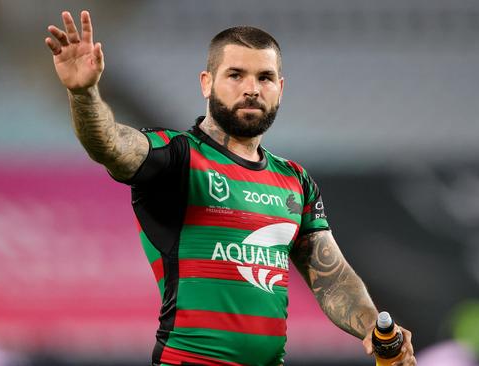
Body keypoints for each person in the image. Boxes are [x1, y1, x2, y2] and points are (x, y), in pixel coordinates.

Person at [45, 10, 416, 366]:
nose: (252, 89)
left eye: (265, 78)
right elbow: (110, 145)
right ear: (207, 82)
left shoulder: (295, 180)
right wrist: (84, 94)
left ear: (280, 89)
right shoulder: (178, 159)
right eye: (236, 75)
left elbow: (331, 279)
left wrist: (374, 328)